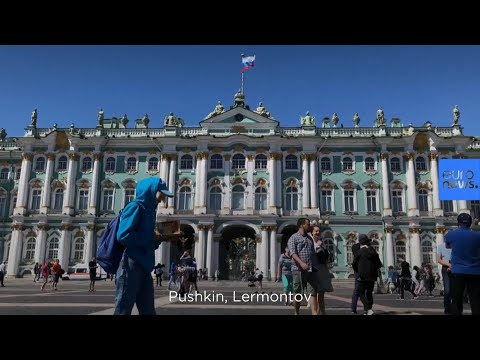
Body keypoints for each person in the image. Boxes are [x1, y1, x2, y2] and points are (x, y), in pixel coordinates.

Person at [114, 178, 174, 315]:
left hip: (145, 266)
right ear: (151, 191)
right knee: (123, 308)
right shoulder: (135, 207)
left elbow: (146, 242)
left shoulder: (150, 212)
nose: (163, 198)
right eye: (161, 193)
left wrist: (159, 239)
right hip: (131, 265)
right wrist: (150, 237)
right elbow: (123, 236)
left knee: (148, 310)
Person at [445, 213, 480, 315]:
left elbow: (447, 246)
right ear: (470, 223)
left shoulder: (451, 234)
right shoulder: (478, 236)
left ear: (458, 223)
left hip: (458, 271)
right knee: (476, 300)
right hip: (475, 271)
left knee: (456, 299)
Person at [287, 218, 319, 315]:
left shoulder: (309, 238)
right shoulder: (294, 238)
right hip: (298, 270)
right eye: (307, 224)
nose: (309, 226)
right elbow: (293, 253)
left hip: (310, 270)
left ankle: (314, 313)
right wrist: (301, 263)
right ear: (301, 225)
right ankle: (296, 312)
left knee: (313, 292)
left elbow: (312, 253)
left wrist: (315, 266)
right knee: (298, 293)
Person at [352, 235, 383, 315]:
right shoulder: (373, 251)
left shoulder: (359, 252)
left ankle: (368, 309)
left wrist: (358, 271)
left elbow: (354, 264)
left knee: (361, 293)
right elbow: (379, 264)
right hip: (372, 276)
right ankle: (368, 310)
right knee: (369, 293)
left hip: (362, 276)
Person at [311, 225, 333, 315]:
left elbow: (326, 256)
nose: (317, 232)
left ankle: (322, 311)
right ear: (312, 232)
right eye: (316, 231)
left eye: (318, 231)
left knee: (321, 292)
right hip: (313, 269)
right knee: (313, 292)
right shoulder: (310, 242)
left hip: (322, 269)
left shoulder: (322, 243)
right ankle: (315, 312)